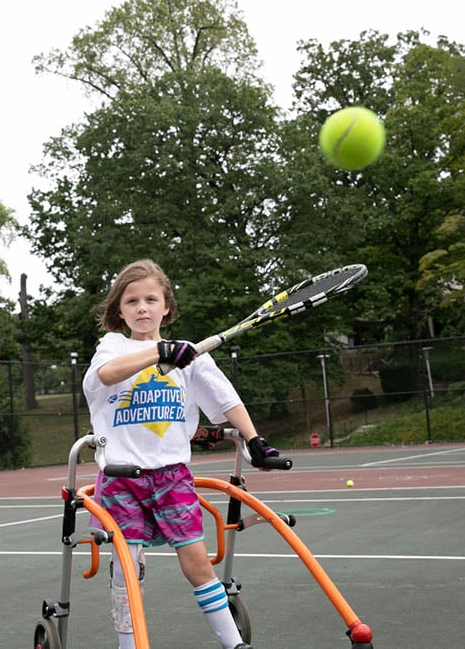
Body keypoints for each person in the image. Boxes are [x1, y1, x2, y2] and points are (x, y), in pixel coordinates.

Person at [82, 259, 279, 649]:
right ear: (119, 311)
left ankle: (233, 642)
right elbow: (106, 374)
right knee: (127, 566)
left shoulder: (191, 357)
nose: (142, 307)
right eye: (132, 300)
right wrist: (160, 352)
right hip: (122, 477)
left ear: (166, 307)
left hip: (172, 477)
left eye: (150, 299)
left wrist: (254, 439)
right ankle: (129, 643)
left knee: (198, 563)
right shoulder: (114, 346)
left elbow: (226, 400)